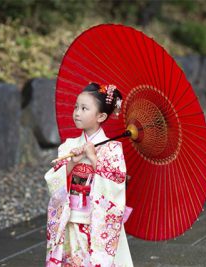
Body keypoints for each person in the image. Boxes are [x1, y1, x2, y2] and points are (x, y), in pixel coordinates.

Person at [44, 82, 134, 267]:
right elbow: (53, 180)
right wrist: (72, 163)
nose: (77, 112)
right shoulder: (69, 146)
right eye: (76, 107)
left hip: (95, 221)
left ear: (101, 116)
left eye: (84, 108)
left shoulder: (112, 149)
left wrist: (94, 159)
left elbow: (117, 183)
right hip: (70, 217)